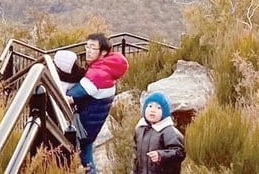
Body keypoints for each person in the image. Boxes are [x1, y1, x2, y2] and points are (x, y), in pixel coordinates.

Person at [66, 33, 128, 174]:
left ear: (103, 52)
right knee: (87, 158)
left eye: (93, 48)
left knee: (77, 159)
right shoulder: (105, 69)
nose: (88, 50)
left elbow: (70, 97)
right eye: (87, 46)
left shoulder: (98, 75)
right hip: (92, 125)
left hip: (84, 126)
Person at [132, 92, 185, 174]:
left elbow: (179, 153)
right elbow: (136, 155)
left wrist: (161, 155)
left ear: (164, 112)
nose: (153, 110)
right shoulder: (140, 129)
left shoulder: (169, 131)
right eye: (150, 106)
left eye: (158, 108)